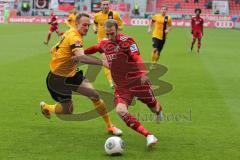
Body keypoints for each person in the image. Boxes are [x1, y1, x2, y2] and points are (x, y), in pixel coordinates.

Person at [83, 19, 164, 147]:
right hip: (121, 87)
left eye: (112, 34)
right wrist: (81, 53)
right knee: (120, 110)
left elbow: (137, 57)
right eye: (107, 34)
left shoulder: (127, 41)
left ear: (117, 30)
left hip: (137, 81)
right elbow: (95, 47)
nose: (109, 37)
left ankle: (159, 111)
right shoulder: (105, 43)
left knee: (154, 108)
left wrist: (143, 73)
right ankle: (149, 135)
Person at [40, 13, 122, 136]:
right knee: (68, 110)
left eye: (88, 25)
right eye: (84, 25)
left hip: (72, 74)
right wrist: (103, 62)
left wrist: (59, 55)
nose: (87, 28)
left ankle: (110, 126)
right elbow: (82, 58)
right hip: (57, 80)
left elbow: (53, 48)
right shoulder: (74, 37)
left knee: (94, 95)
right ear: (76, 24)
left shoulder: (70, 32)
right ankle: (46, 107)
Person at [93, 0, 123, 88]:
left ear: (109, 5)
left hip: (113, 42)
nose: (105, 6)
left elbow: (121, 26)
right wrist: (94, 29)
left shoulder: (115, 15)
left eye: (107, 4)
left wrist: (115, 30)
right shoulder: (97, 15)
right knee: (106, 61)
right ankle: (111, 82)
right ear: (101, 6)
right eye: (104, 4)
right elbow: (95, 24)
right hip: (102, 42)